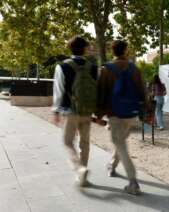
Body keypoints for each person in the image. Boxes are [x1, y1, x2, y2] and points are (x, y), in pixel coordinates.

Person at [96, 40, 148, 195]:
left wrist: (98, 114)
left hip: (114, 114)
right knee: (120, 142)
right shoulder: (134, 69)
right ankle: (112, 166)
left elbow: (101, 93)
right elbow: (142, 91)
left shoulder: (105, 69)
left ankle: (133, 182)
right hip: (130, 113)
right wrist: (144, 110)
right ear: (125, 50)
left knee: (121, 146)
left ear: (113, 51)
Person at [52, 36, 98, 186]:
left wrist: (56, 110)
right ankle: (83, 175)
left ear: (70, 49)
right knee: (85, 143)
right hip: (87, 111)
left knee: (67, 142)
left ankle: (79, 169)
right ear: (84, 49)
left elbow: (58, 90)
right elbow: (96, 89)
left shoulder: (62, 66)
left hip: (70, 111)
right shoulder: (92, 66)